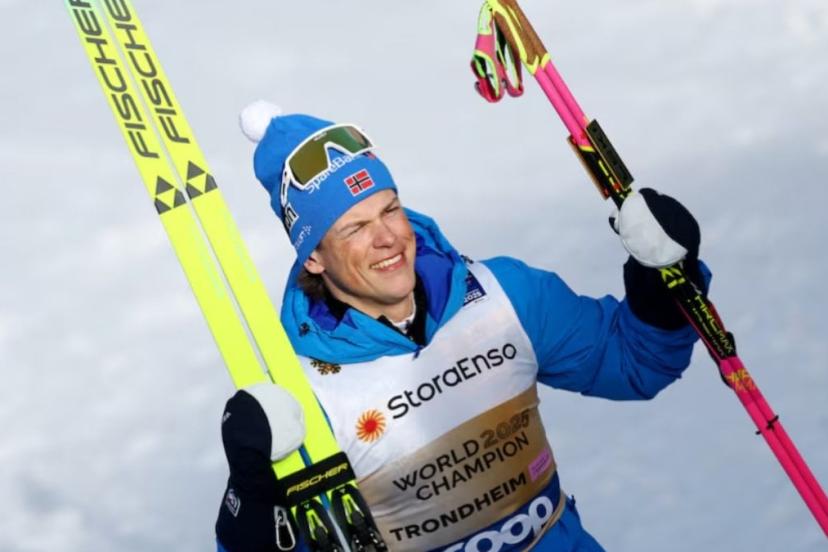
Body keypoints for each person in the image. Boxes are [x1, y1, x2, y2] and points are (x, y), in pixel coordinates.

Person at [215, 100, 709, 552]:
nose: (388, 238)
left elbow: (633, 362)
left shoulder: (503, 295)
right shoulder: (302, 393)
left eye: (390, 209)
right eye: (356, 228)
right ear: (315, 258)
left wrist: (661, 279)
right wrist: (253, 489)